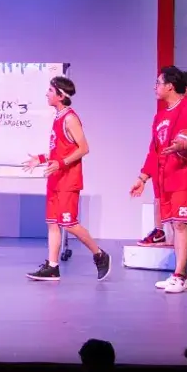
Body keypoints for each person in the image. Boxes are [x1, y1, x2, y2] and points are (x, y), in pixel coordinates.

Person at [130, 66, 187, 294]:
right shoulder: (160, 116)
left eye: (158, 83)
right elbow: (154, 150)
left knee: (180, 223)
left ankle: (179, 276)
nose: (155, 87)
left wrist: (185, 144)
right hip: (167, 175)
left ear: (169, 86)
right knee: (174, 225)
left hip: (186, 173)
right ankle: (182, 277)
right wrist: (142, 178)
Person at [23, 76, 111, 281]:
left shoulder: (70, 118)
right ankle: (52, 267)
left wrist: (61, 164)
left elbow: (84, 148)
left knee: (68, 223)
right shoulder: (58, 117)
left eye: (50, 91)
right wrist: (41, 158)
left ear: (61, 96)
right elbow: (60, 149)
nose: (46, 94)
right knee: (52, 223)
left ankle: (100, 254)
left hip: (68, 180)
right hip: (55, 178)